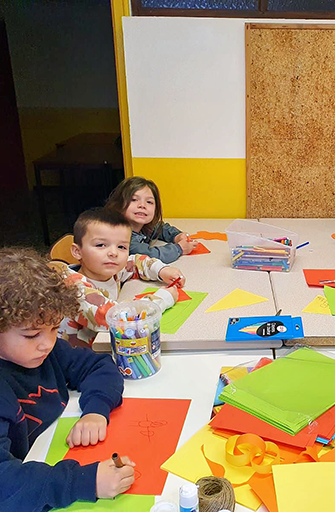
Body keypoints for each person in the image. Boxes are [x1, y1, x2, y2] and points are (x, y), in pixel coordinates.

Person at [0, 248, 134, 511]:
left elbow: (98, 367)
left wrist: (95, 411)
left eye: (54, 329)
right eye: (31, 335)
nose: (47, 344)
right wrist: (83, 482)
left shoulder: (46, 351)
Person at [58, 208, 185, 348]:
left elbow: (136, 261)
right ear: (77, 251)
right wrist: (163, 298)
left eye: (122, 247)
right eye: (101, 245)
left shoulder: (110, 269)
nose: (113, 253)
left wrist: (161, 270)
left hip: (104, 346)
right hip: (78, 360)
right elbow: (120, 318)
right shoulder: (75, 289)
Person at [105, 176, 197, 263]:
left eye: (149, 202)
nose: (142, 205)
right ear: (119, 204)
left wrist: (177, 236)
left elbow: (161, 228)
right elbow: (151, 256)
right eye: (134, 199)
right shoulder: (121, 237)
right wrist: (179, 248)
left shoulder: (144, 227)